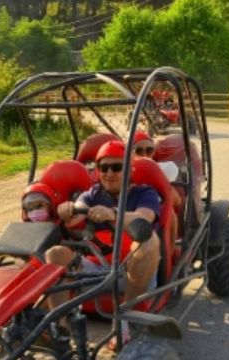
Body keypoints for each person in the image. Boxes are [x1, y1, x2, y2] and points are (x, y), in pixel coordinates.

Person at [45, 140, 162, 344]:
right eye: (103, 167)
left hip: (133, 272)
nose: (109, 173)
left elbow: (144, 219)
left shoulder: (145, 193)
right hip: (98, 268)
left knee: (149, 241)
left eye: (117, 167)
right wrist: (68, 210)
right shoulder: (93, 194)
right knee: (55, 253)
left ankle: (124, 322)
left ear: (129, 169)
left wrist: (113, 214)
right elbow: (76, 214)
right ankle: (59, 329)